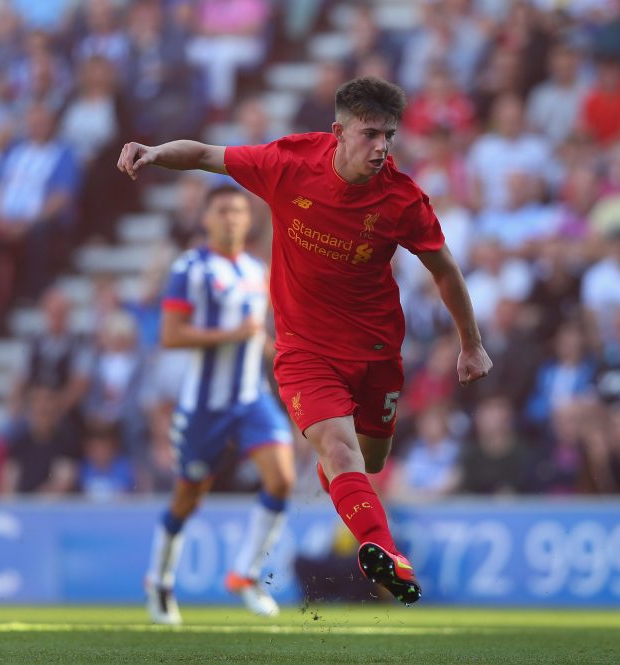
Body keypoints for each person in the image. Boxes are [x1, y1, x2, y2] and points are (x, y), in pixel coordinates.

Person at [118, 76, 492, 607]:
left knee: (369, 459)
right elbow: (203, 153)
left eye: (389, 135)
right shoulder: (288, 164)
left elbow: (445, 270)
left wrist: (470, 344)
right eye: (369, 134)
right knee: (340, 451)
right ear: (337, 132)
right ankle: (381, 552)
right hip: (304, 352)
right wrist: (154, 152)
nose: (381, 146)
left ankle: (341, 492)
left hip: (376, 352)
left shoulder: (402, 200)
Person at [141, 185, 296, 624]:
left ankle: (245, 574)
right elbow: (170, 335)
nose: (231, 218)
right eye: (223, 211)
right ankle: (160, 580)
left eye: (238, 212)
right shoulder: (189, 269)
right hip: (204, 407)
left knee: (282, 478)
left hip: (250, 399)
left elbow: (254, 334)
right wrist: (230, 336)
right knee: (188, 498)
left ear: (248, 221)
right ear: (206, 219)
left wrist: (280, 355)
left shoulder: (255, 270)